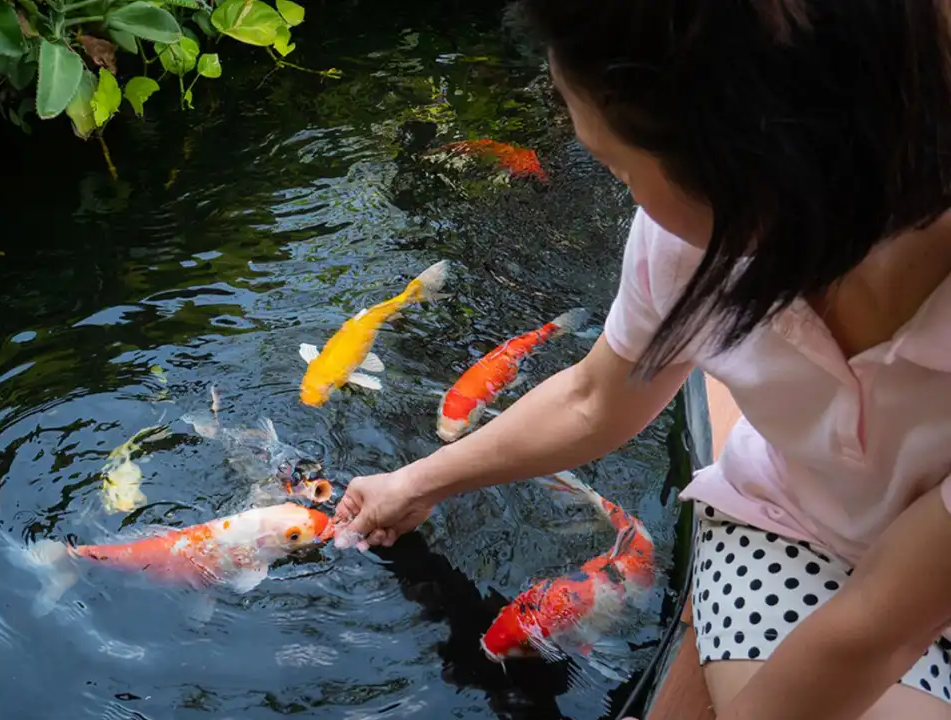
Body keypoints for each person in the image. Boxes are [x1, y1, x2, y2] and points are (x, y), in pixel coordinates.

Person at [332, 1, 951, 718]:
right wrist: (415, 485)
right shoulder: (691, 240)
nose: (630, 201)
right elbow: (595, 397)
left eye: (618, 167)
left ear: (749, 171)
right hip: (801, 526)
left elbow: (878, 628)